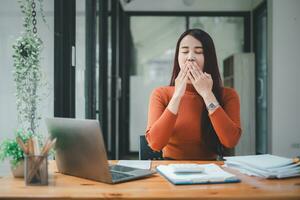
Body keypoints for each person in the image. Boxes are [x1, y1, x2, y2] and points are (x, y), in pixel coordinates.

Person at [145, 29, 241, 160]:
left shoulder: (228, 95)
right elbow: (155, 144)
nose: (190, 57)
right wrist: (178, 95)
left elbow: (230, 141)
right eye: (184, 51)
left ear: (209, 58)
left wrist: (207, 94)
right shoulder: (161, 94)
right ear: (178, 57)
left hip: (212, 171)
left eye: (199, 52)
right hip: (170, 170)